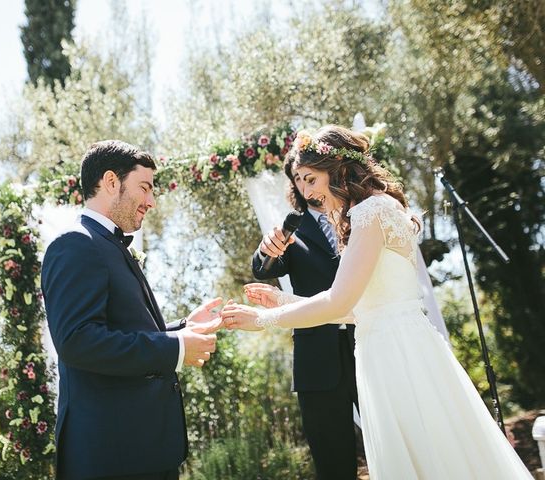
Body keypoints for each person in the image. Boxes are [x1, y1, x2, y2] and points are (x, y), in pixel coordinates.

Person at [222, 125, 532, 479]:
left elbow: (339, 303)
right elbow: (360, 309)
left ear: (337, 169)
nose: (306, 192)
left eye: (311, 179)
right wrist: (282, 298)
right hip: (391, 348)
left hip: (396, 355)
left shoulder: (369, 213)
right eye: (300, 182)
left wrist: (264, 319)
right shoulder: (375, 209)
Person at [42, 140, 223, 480]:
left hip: (142, 449)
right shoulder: (76, 244)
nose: (151, 201)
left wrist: (182, 327)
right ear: (111, 182)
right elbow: (77, 341)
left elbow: (121, 331)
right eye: (145, 188)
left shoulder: (108, 245)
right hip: (111, 456)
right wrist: (177, 347)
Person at [251, 149, 359, 480]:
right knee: (332, 459)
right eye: (296, 179)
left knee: (393, 438)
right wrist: (269, 247)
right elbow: (261, 268)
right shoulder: (290, 230)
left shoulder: (360, 216)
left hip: (368, 342)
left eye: (307, 177)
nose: (303, 186)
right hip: (317, 357)